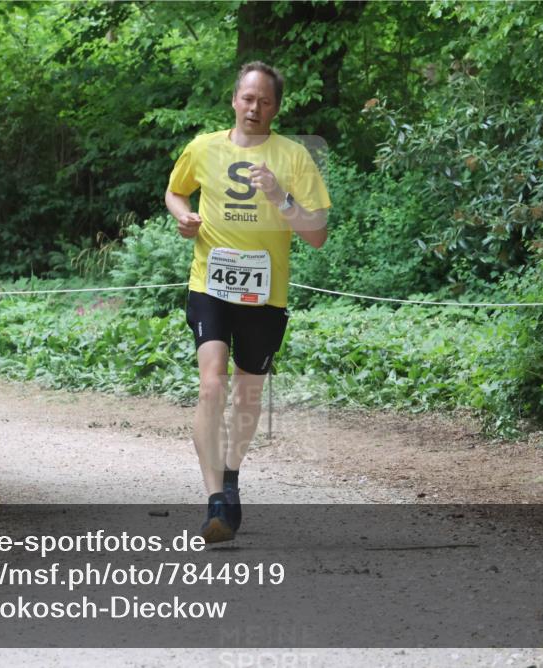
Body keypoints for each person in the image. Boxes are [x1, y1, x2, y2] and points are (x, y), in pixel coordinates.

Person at [165, 62, 331, 543]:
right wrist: (184, 217)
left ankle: (232, 476)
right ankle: (215, 498)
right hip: (210, 284)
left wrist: (281, 198)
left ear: (276, 108)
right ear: (234, 100)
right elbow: (175, 192)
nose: (254, 108)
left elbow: (317, 235)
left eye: (264, 101)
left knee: (248, 393)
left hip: (265, 292)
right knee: (211, 385)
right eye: (248, 98)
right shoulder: (203, 147)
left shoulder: (294, 156)